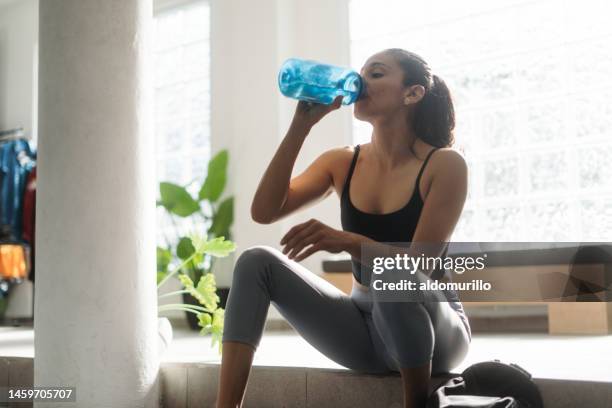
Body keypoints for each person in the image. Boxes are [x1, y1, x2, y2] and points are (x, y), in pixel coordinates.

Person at [215, 48, 471, 408]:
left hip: (435, 331)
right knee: (256, 262)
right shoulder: (343, 161)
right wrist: (300, 125)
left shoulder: (445, 164)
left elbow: (418, 267)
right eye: (362, 71)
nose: (361, 80)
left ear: (412, 93)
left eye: (377, 74)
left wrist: (347, 241)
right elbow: (264, 211)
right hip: (363, 334)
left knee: (393, 275)